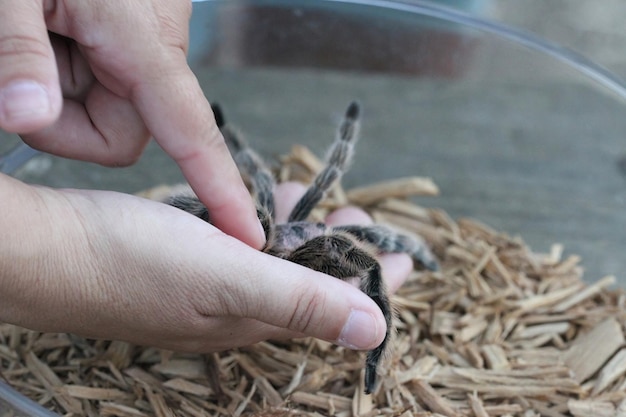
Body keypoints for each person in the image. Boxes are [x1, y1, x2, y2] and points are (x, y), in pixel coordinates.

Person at [0, 1, 412, 354]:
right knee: (277, 198)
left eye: (315, 227)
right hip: (262, 241)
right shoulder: (293, 234)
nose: (317, 224)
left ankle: (415, 253)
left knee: (301, 211)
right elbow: (269, 176)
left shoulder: (312, 240)